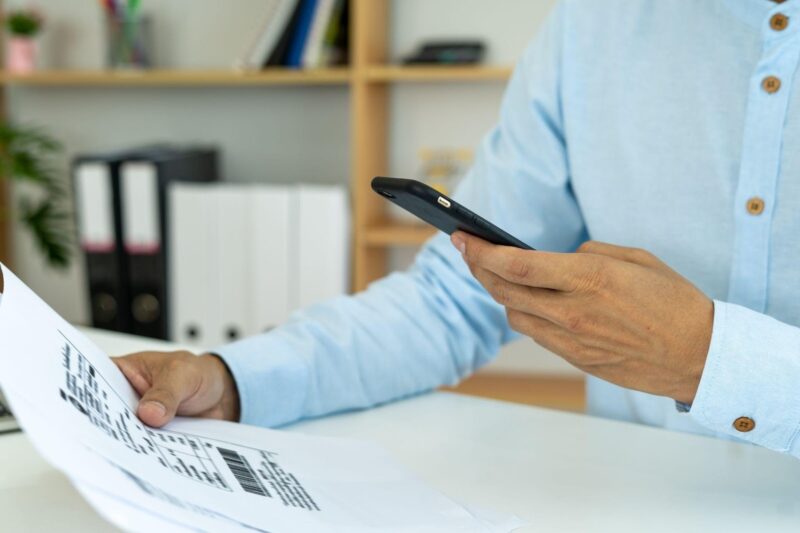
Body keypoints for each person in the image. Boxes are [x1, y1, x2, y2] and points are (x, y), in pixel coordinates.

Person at [115, 0, 800, 460]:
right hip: (635, 502)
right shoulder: (595, 23)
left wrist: (708, 358)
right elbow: (451, 301)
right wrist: (234, 378)